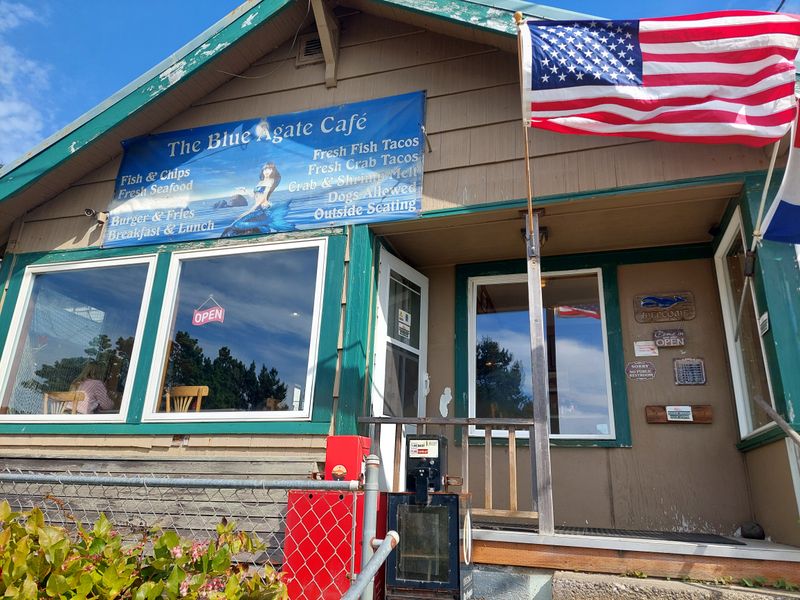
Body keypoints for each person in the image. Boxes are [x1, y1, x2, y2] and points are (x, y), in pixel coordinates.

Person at [221, 162, 293, 236]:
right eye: (265, 169)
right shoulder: (261, 182)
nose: (267, 171)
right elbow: (254, 196)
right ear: (262, 171)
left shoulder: (270, 181)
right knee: (235, 226)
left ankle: (264, 228)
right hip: (257, 207)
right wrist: (245, 190)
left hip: (262, 208)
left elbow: (263, 198)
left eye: (269, 169)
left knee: (237, 224)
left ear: (273, 171)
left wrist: (250, 211)